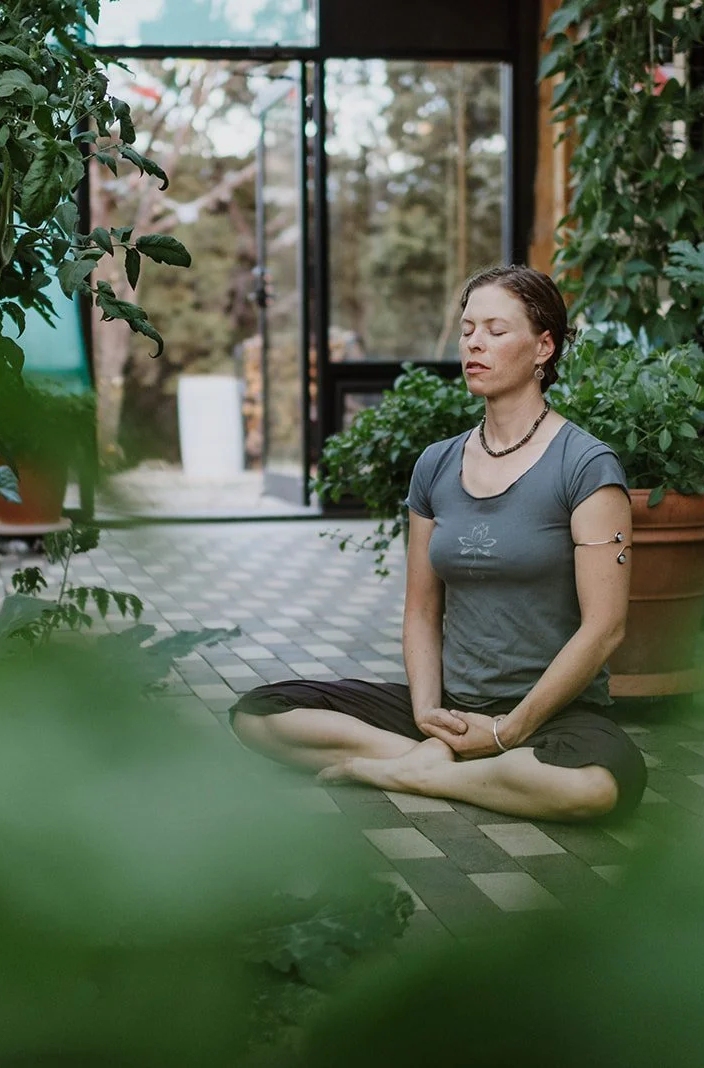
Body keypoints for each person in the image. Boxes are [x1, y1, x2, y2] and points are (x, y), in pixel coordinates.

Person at [229, 265, 645, 821]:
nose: (474, 341)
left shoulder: (586, 466)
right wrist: (428, 711)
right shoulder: (437, 463)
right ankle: (448, 763)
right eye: (468, 328)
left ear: (543, 346)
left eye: (496, 330)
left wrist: (506, 730)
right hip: (451, 706)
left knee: (595, 789)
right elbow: (422, 610)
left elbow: (605, 627)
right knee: (260, 714)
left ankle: (408, 770)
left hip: (551, 715)